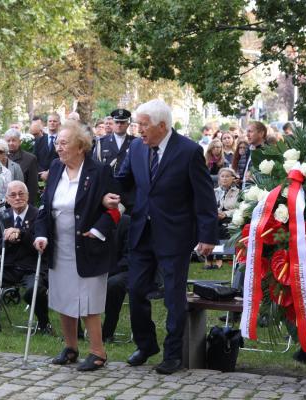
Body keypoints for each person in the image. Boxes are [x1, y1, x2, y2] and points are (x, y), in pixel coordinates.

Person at [111, 99, 218, 374]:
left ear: (162, 125)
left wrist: (207, 235)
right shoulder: (136, 147)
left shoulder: (189, 151)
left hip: (175, 234)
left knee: (173, 296)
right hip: (141, 232)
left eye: (143, 125)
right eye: (137, 124)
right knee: (135, 289)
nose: (139, 130)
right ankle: (146, 345)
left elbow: (204, 197)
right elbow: (123, 180)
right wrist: (112, 196)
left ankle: (173, 355)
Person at [34, 120, 116, 372]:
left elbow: (115, 208)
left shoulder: (99, 171)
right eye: (57, 142)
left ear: (80, 146)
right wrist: (41, 234)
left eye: (64, 143)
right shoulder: (56, 168)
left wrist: (98, 230)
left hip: (87, 245)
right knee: (62, 297)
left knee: (88, 301)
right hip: (59, 245)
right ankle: (71, 348)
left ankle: (97, 352)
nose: (58, 148)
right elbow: (45, 206)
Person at [0, 181, 50, 334]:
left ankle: (44, 323)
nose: (17, 198)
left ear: (28, 196)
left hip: (32, 267)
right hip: (9, 266)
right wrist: (6, 239)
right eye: (13, 195)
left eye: (21, 194)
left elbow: (40, 244)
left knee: (33, 290)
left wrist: (20, 234)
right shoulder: (2, 217)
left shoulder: (38, 215)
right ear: (7, 199)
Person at [93, 109, 135, 212]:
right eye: (117, 122)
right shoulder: (101, 142)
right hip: (108, 193)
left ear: (128, 124)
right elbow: (95, 168)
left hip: (129, 194)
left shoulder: (135, 142)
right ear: (113, 123)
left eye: (123, 122)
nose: (119, 125)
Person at [102, 213, 130, 343]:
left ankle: (107, 332)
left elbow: (128, 256)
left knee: (114, 284)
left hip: (124, 270)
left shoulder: (125, 222)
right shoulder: (91, 221)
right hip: (98, 269)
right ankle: (77, 332)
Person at [204, 167, 239, 270]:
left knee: (218, 228)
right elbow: (208, 206)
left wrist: (226, 214)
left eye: (227, 176)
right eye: (222, 176)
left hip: (230, 219)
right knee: (210, 225)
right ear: (219, 178)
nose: (224, 179)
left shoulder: (238, 192)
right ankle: (209, 258)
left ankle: (217, 259)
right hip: (215, 217)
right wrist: (215, 213)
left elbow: (239, 209)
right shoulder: (213, 191)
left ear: (233, 178)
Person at [5, 128, 38, 204]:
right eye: (8, 141)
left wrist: (28, 206)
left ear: (19, 142)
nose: (11, 143)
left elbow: (32, 186)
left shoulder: (30, 159)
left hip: (20, 201)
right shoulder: (0, 157)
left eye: (14, 140)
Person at [33, 112, 60, 180]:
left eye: (55, 121)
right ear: (47, 123)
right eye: (50, 121)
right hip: (40, 177)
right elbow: (34, 159)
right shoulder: (39, 140)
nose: (52, 123)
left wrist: (49, 172)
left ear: (59, 124)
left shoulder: (62, 141)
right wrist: (42, 173)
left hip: (56, 176)